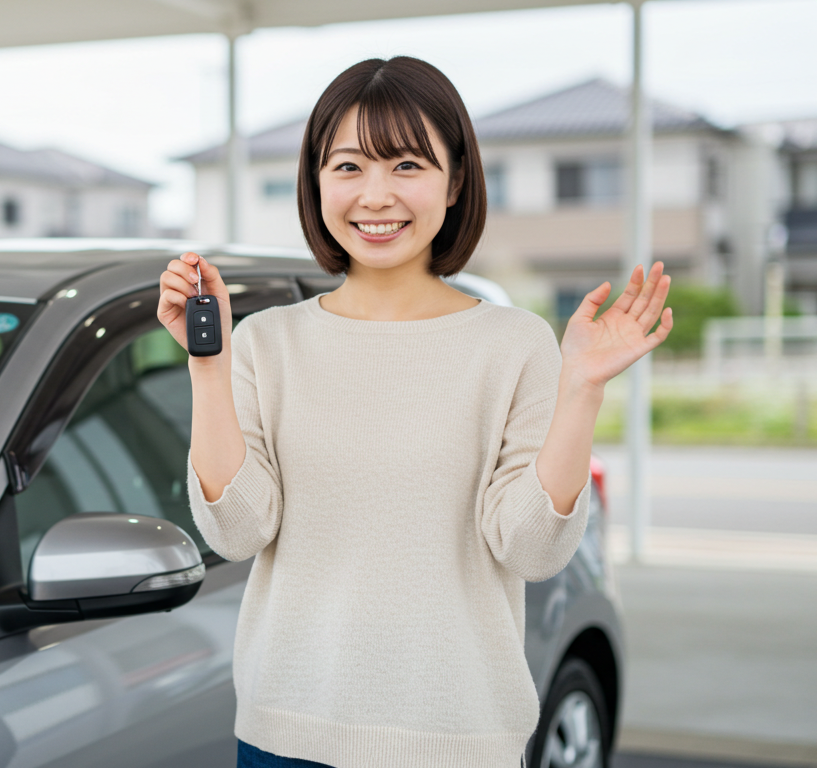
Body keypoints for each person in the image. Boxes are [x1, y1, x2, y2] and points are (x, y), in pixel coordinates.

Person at [156, 56, 672, 768]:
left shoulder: (515, 344)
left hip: (460, 740)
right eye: (348, 167)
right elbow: (239, 531)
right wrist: (207, 366)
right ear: (315, 179)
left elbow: (531, 550)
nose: (375, 196)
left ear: (456, 181)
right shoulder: (264, 343)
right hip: (286, 736)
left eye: (406, 165)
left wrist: (581, 385)